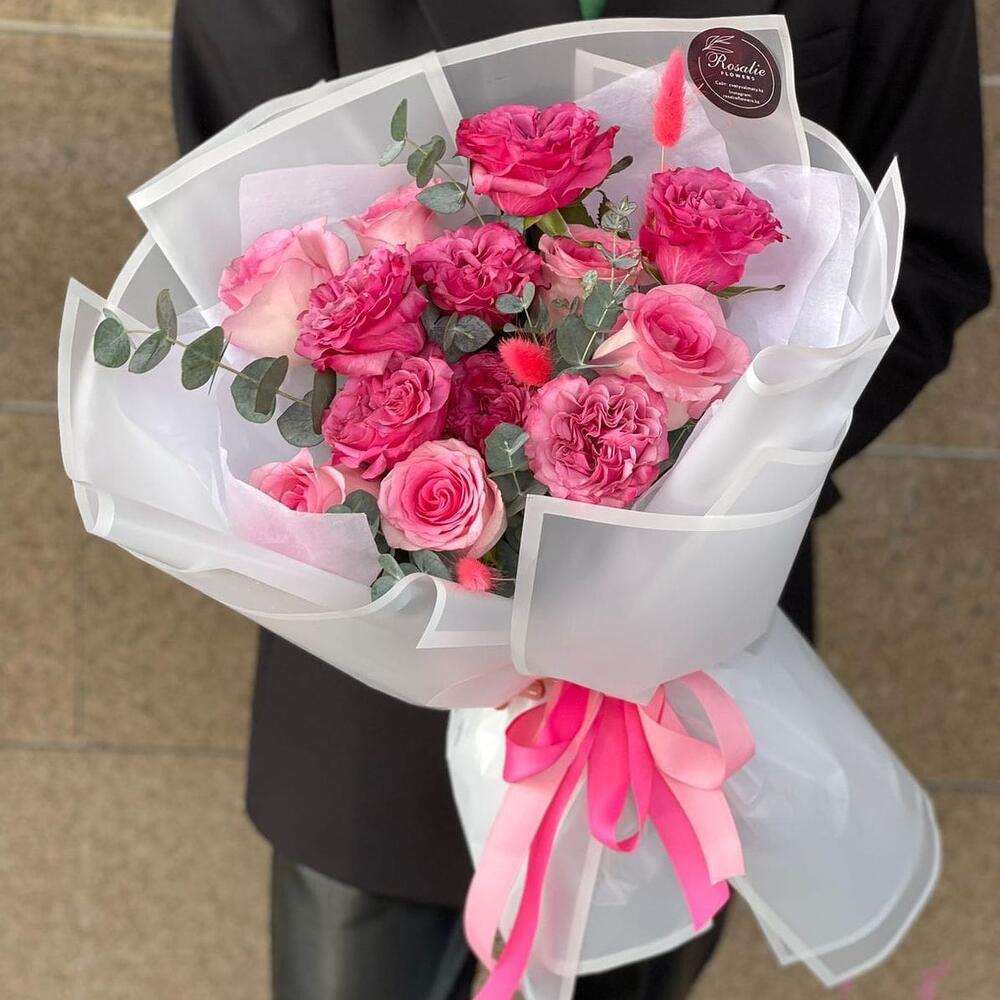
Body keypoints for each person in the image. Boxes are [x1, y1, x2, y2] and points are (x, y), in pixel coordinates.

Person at [171, 2, 991, 998]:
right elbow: (241, 228)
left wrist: (691, 505)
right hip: (377, 701)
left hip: (678, 673)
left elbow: (922, 261)